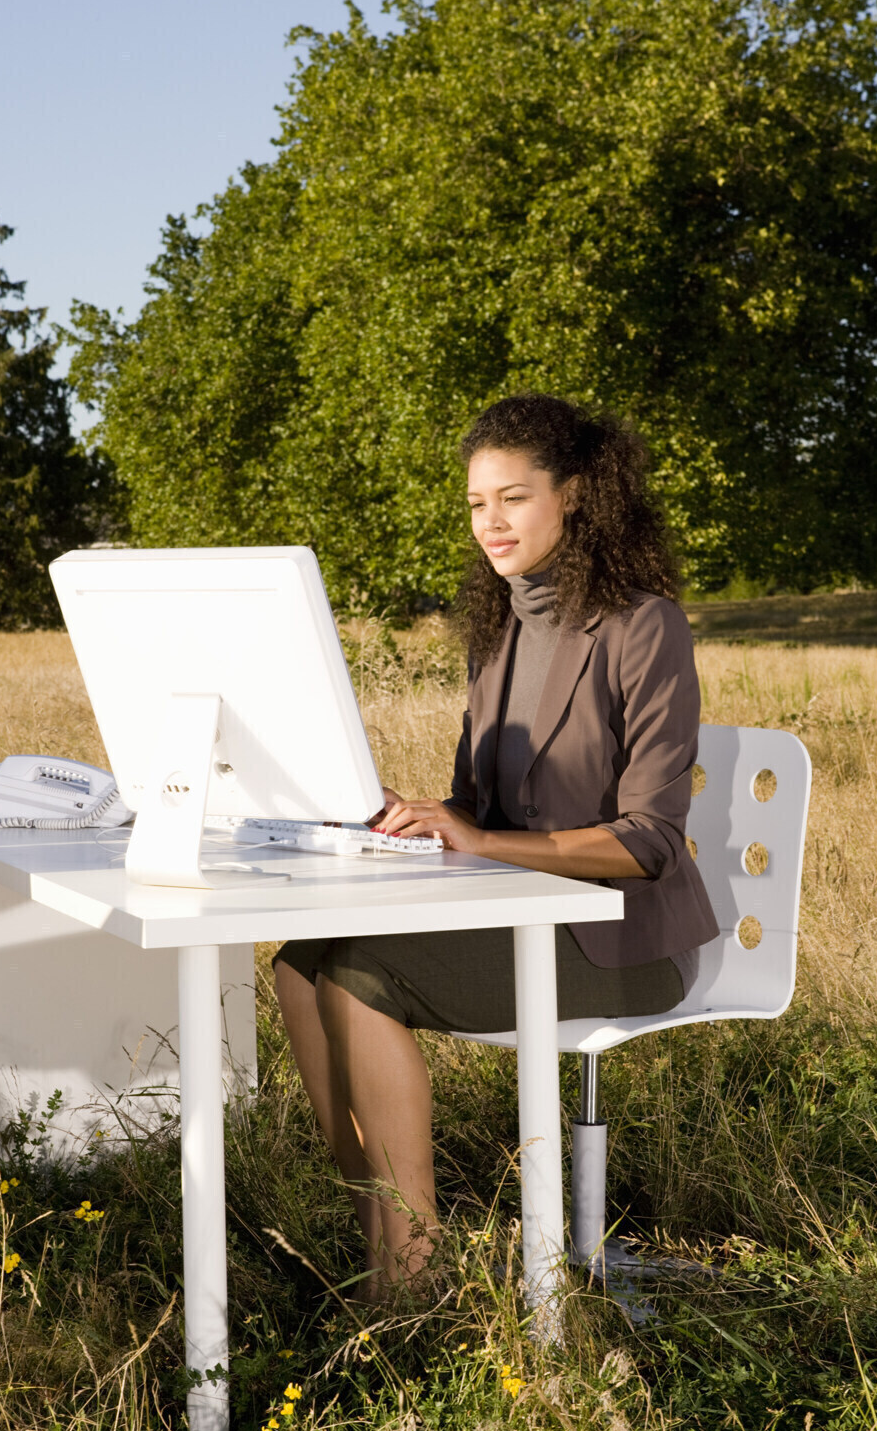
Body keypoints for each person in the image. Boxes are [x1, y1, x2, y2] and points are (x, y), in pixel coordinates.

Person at [274, 393, 719, 1299]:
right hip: (522, 910)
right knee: (298, 960)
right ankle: (383, 1235)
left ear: (578, 495)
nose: (491, 523)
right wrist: (415, 817)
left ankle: (410, 1281)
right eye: (478, 503)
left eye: (513, 498)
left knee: (360, 975)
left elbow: (650, 843)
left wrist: (478, 836)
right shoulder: (503, 629)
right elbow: (478, 807)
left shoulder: (645, 626)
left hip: (622, 938)